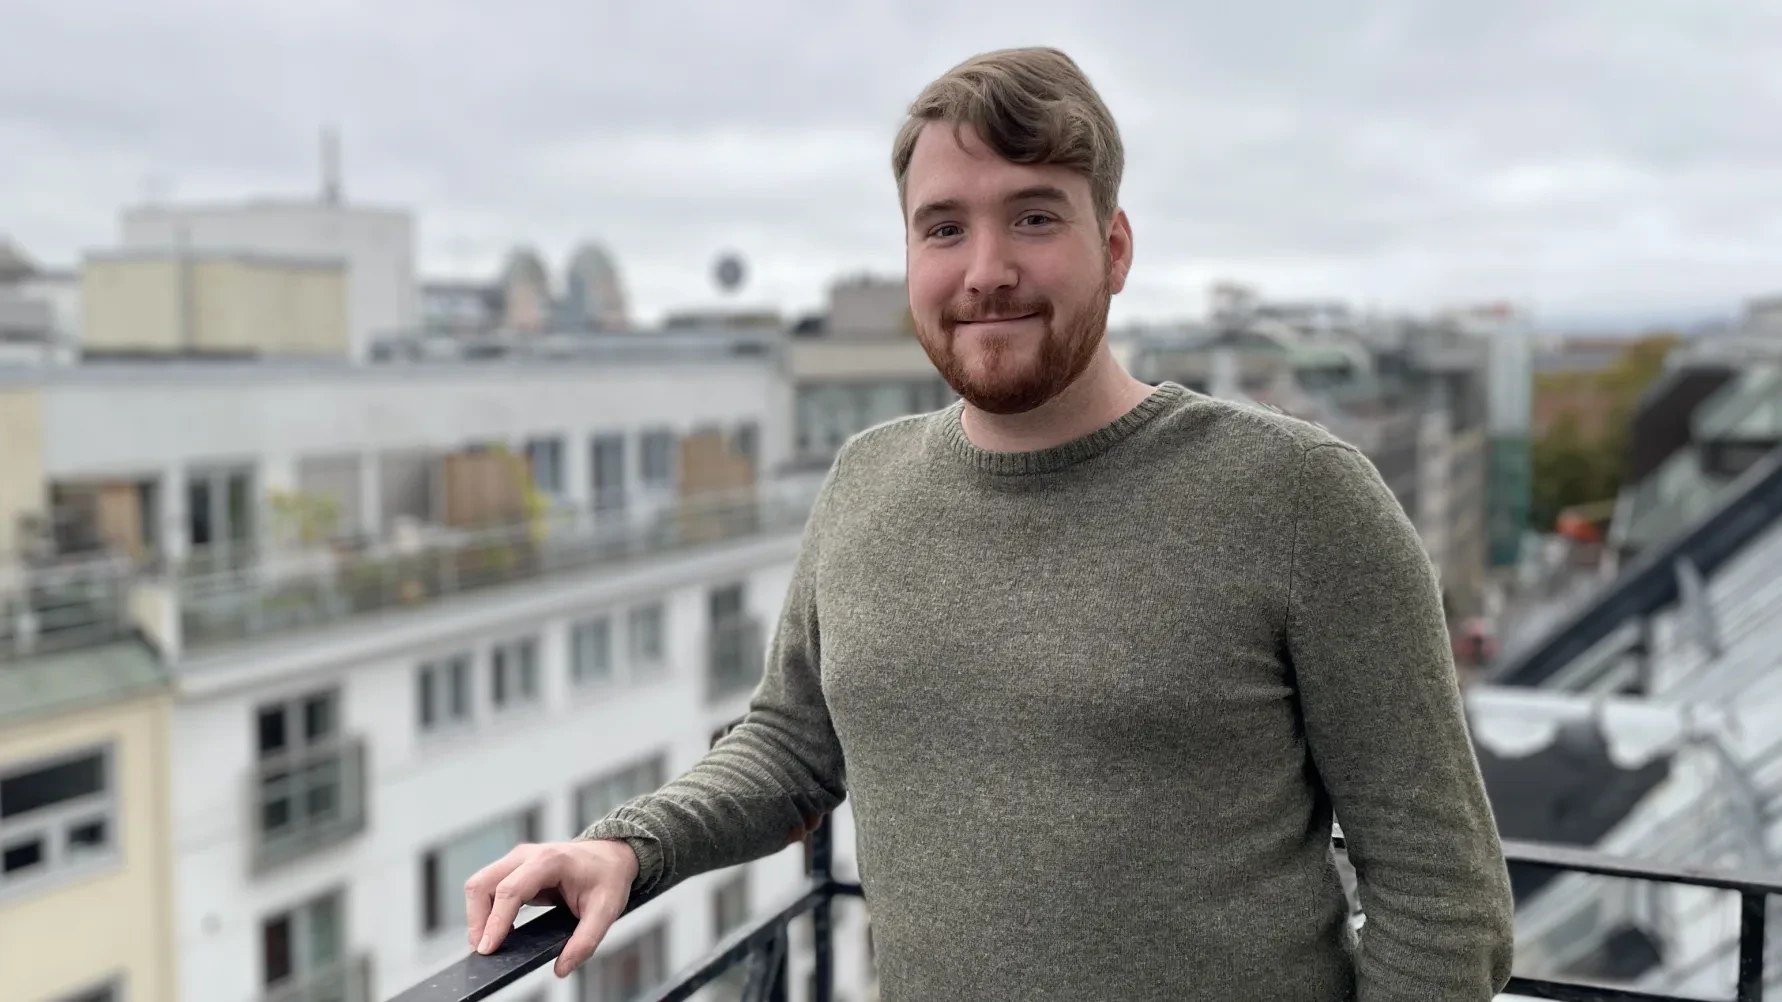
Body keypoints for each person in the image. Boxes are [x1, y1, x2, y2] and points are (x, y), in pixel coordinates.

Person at [465, 46, 1516, 1001]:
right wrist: (626, 848)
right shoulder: (866, 482)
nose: (986, 270)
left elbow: (1442, 893)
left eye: (1034, 216)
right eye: (945, 227)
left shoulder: (1298, 496)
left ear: (1114, 246)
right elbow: (792, 745)